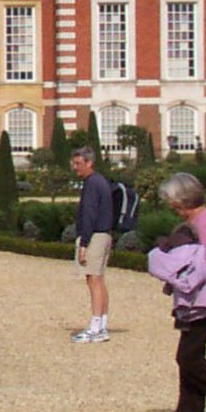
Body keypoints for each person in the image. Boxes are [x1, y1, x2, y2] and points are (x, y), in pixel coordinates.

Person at [147, 172, 206, 412]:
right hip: (193, 298)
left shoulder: (205, 219)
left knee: (188, 357)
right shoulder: (198, 219)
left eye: (174, 202)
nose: (172, 207)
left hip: (205, 297)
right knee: (190, 357)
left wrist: (177, 256)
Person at [70, 146, 115, 343]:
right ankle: (102, 324)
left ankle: (96, 327)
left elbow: (89, 215)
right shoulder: (101, 181)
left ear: (89, 163)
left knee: (93, 280)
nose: (75, 167)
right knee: (99, 279)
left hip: (95, 236)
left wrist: (84, 244)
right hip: (104, 234)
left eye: (78, 163)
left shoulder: (91, 183)